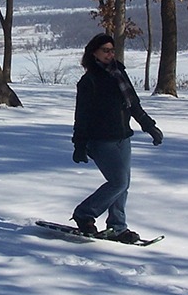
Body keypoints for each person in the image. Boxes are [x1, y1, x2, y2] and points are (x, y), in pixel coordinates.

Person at [70, 33, 163, 243]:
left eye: (112, 50)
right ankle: (84, 213)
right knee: (118, 182)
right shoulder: (89, 81)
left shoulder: (119, 74)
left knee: (124, 183)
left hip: (123, 138)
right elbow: (82, 116)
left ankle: (117, 227)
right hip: (100, 140)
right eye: (105, 50)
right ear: (93, 52)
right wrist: (79, 144)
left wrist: (150, 127)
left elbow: (134, 105)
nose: (110, 54)